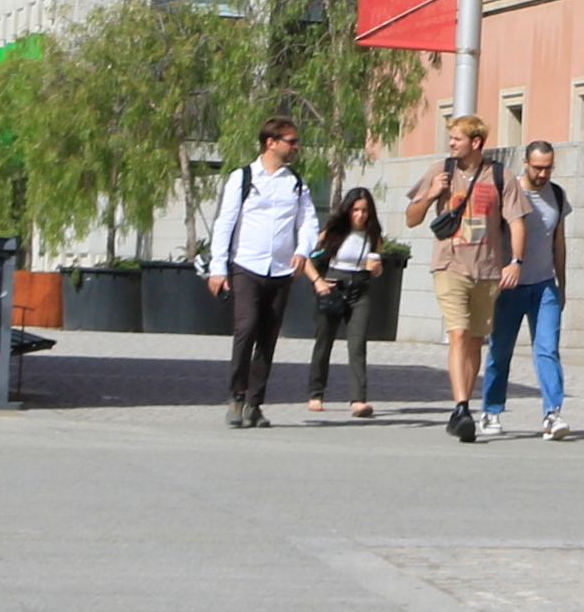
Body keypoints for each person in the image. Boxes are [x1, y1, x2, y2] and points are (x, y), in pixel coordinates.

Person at [201, 118, 315, 431]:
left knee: (267, 336)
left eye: (296, 141)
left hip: (281, 270)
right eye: (290, 141)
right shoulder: (243, 177)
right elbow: (225, 222)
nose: (295, 147)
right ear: (271, 142)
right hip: (246, 266)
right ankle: (236, 397)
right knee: (246, 327)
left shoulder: (296, 182)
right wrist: (218, 268)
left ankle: (255, 403)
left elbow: (308, 221)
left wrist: (303, 250)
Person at [407, 111, 510, 441]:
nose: (451, 143)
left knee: (476, 339)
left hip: (487, 268)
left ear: (476, 142)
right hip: (449, 265)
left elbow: (517, 221)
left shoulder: (499, 175)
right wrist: (431, 193)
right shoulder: (441, 171)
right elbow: (411, 218)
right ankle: (462, 406)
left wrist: (516, 261)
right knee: (458, 334)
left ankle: (462, 406)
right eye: (450, 138)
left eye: (457, 139)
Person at [478, 138, 575, 439]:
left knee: (547, 349)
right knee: (500, 350)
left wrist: (562, 283)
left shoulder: (557, 195)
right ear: (525, 163)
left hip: (544, 285)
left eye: (548, 168)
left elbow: (558, 241)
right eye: (538, 168)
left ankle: (552, 414)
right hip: (509, 287)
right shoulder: (510, 191)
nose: (543, 174)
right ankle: (491, 411)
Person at [303, 184, 391, 418]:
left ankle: (359, 400)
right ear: (347, 210)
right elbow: (306, 259)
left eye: (364, 210)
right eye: (355, 210)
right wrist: (318, 282)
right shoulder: (333, 232)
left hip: (360, 290)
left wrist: (377, 269)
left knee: (357, 344)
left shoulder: (373, 236)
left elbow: (376, 267)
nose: (360, 215)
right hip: (332, 287)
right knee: (324, 342)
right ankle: (316, 393)